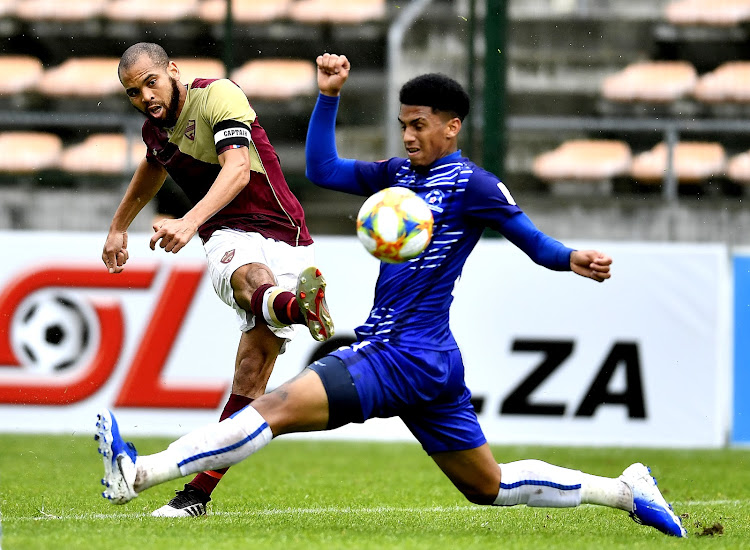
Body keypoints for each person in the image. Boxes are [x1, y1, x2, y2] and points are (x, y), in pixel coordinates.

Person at [94, 52, 686, 538]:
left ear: (452, 126)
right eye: (403, 123)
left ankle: (139, 473)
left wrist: (572, 258)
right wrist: (329, 97)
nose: (408, 135)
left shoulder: (473, 184)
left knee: (270, 411)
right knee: (490, 486)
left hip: (397, 354)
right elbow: (323, 169)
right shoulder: (398, 176)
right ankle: (624, 491)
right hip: (430, 361)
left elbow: (531, 240)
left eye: (419, 124)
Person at [100, 43, 334, 517]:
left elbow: (238, 170)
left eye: (150, 82)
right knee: (254, 280)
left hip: (286, 231)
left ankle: (195, 496)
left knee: (251, 376)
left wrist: (185, 221)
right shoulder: (156, 131)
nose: (144, 96)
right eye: (132, 92)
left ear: (173, 71)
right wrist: (119, 225)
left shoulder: (218, 96)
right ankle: (298, 308)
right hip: (227, 231)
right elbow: (152, 164)